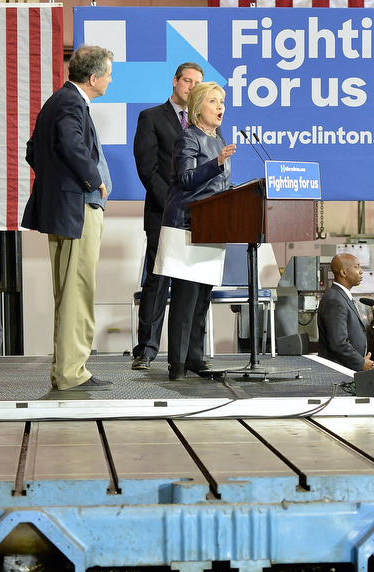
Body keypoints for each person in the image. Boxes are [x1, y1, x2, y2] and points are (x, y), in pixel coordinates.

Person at [21, 45, 113, 391]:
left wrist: (56, 182)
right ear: (93, 78)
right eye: (108, 74)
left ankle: (66, 371)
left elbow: (34, 150)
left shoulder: (57, 101)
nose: (110, 80)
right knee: (78, 291)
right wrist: (94, 180)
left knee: (69, 291)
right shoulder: (72, 103)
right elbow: (71, 146)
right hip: (78, 209)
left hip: (63, 208)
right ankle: (73, 373)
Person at [155, 82, 236, 381]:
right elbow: (187, 179)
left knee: (203, 297)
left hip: (212, 226)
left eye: (223, 101)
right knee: (186, 298)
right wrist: (216, 163)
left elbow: (219, 186)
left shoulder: (220, 140)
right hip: (188, 226)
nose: (220, 107)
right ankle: (176, 363)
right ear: (198, 105)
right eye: (214, 101)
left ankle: (195, 357)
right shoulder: (188, 137)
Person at [131, 62, 204, 371]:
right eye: (186, 81)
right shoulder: (151, 118)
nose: (190, 87)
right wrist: (176, 203)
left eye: (196, 83)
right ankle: (146, 351)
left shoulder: (205, 125)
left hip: (198, 218)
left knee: (194, 287)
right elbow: (147, 170)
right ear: (175, 82)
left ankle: (189, 355)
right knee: (157, 282)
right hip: (163, 214)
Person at [317, 254, 374, 371]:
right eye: (357, 267)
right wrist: (361, 362)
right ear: (343, 273)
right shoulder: (335, 300)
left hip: (347, 368)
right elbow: (338, 342)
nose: (361, 271)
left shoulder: (341, 297)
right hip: (340, 371)